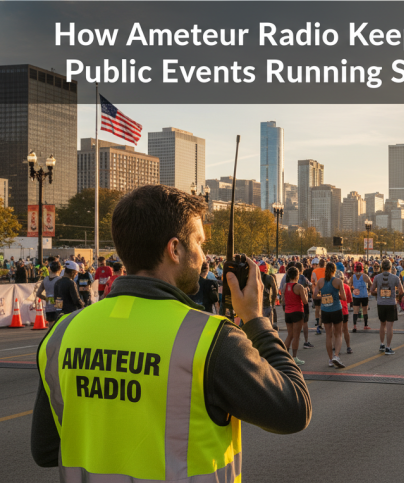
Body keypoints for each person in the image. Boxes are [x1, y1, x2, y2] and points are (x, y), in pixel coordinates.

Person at [32, 185, 310, 478]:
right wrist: (255, 319)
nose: (203, 255)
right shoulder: (211, 339)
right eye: (199, 243)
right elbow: (294, 410)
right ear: (175, 249)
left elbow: (47, 450)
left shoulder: (63, 333)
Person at [316, 262, 346, 368]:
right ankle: (336, 355)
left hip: (325, 310)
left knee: (328, 335)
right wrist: (336, 295)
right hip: (336, 309)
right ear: (335, 270)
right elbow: (344, 297)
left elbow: (315, 295)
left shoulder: (320, 281)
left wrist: (324, 296)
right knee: (338, 334)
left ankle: (330, 359)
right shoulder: (338, 281)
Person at [371, 259, 403, 354]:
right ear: (390, 267)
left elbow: (372, 290)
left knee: (382, 324)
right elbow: (401, 291)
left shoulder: (377, 277)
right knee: (390, 326)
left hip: (381, 303)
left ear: (381, 267)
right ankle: (388, 347)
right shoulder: (395, 277)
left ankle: (382, 344)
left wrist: (379, 293)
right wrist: (395, 294)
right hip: (391, 303)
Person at [281, 266, 307, 365]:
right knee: (296, 336)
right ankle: (294, 357)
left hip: (288, 312)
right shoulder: (299, 286)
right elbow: (304, 301)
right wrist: (305, 292)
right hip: (297, 311)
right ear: (297, 275)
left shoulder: (285, 286)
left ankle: (284, 355)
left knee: (290, 335)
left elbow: (283, 299)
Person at [349, 262, 372, 332]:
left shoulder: (352, 276)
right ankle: (365, 325)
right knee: (365, 310)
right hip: (364, 295)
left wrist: (353, 288)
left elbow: (350, 285)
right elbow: (371, 284)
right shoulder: (365, 276)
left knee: (355, 311)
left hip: (356, 295)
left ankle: (355, 326)